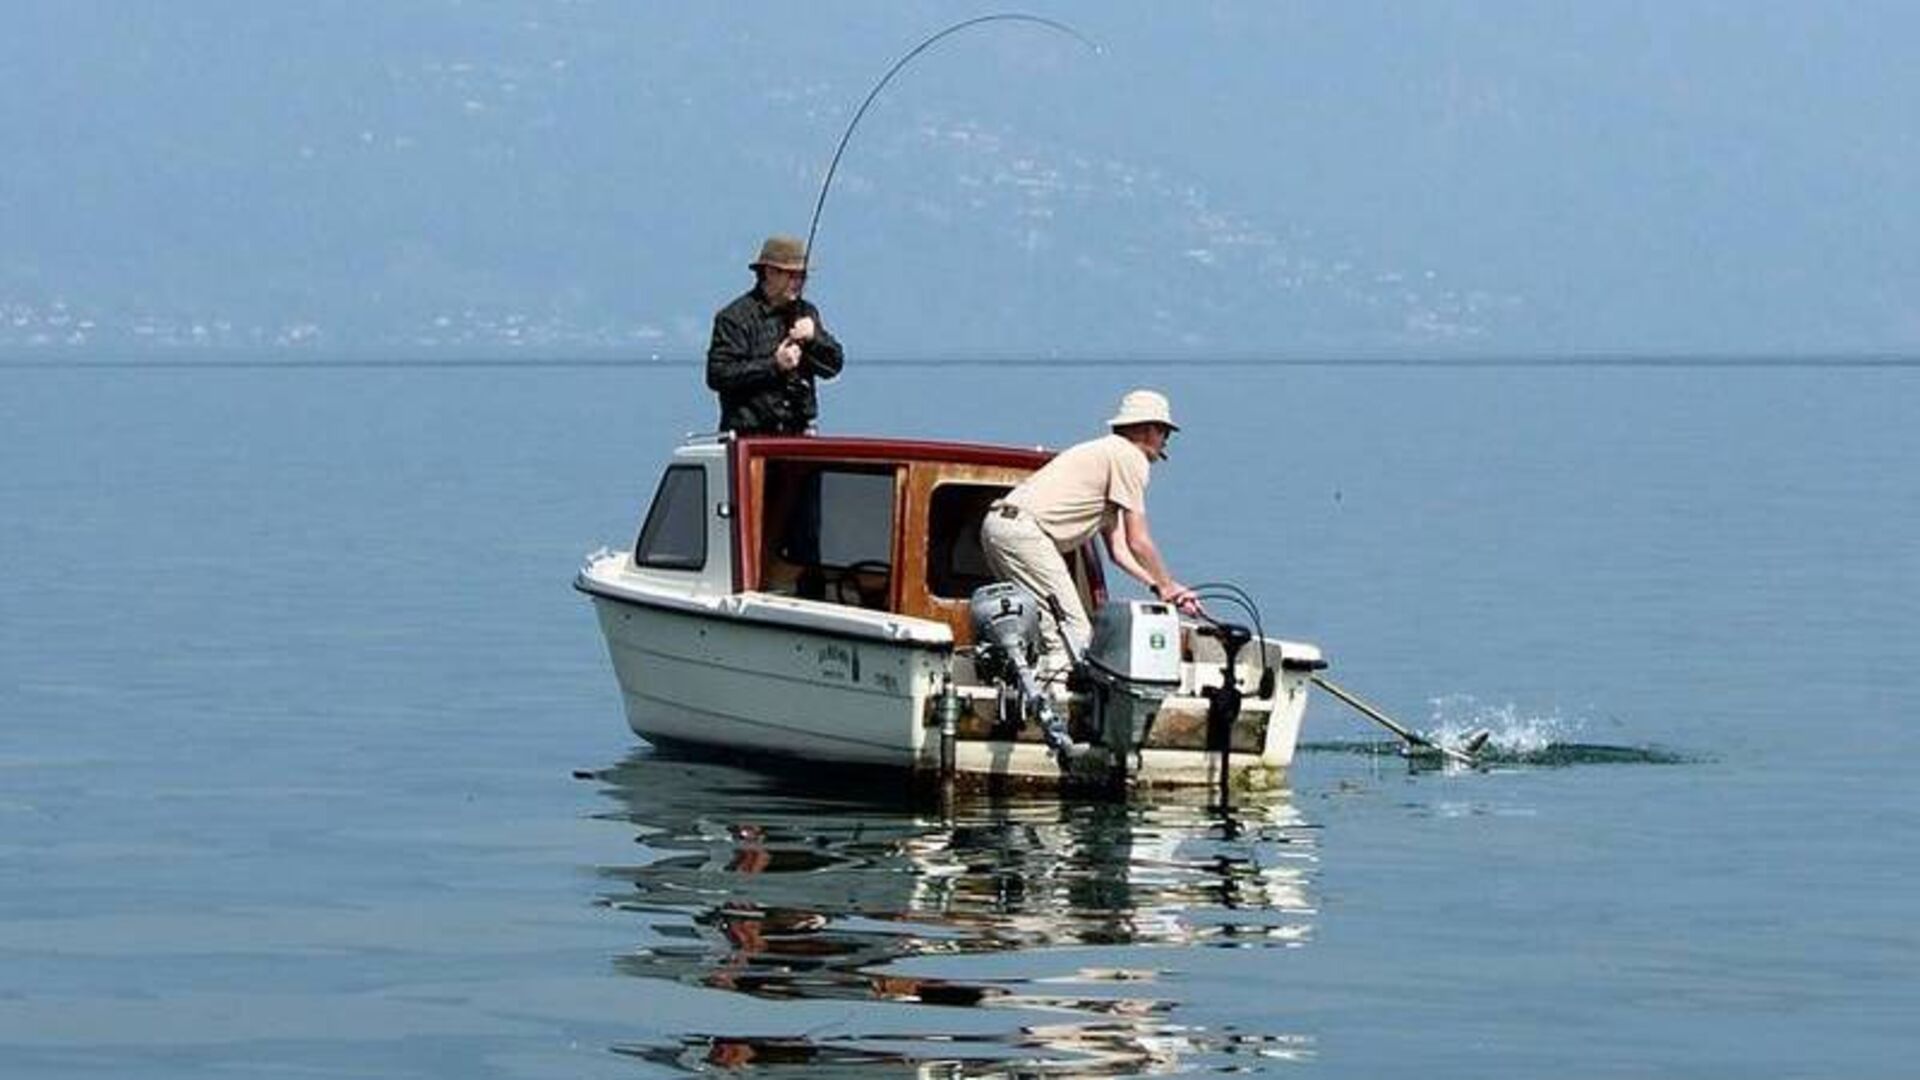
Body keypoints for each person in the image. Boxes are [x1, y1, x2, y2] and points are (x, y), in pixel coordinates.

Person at [981, 389, 1204, 681]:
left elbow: (1119, 552)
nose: (1165, 442)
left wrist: (1159, 585)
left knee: (1042, 624)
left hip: (1000, 527)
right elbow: (1139, 540)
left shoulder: (1107, 455)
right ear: (1150, 430)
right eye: (1166, 433)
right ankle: (1060, 710)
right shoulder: (1129, 457)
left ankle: (1027, 693)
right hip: (1025, 533)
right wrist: (1170, 587)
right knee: (1072, 632)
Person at [706, 234, 844, 435]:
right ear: (770, 272)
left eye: (802, 276)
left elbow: (833, 366)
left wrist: (815, 338)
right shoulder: (734, 318)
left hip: (799, 434)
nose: (798, 282)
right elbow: (718, 375)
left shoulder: (806, 312)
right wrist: (774, 364)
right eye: (791, 275)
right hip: (750, 436)